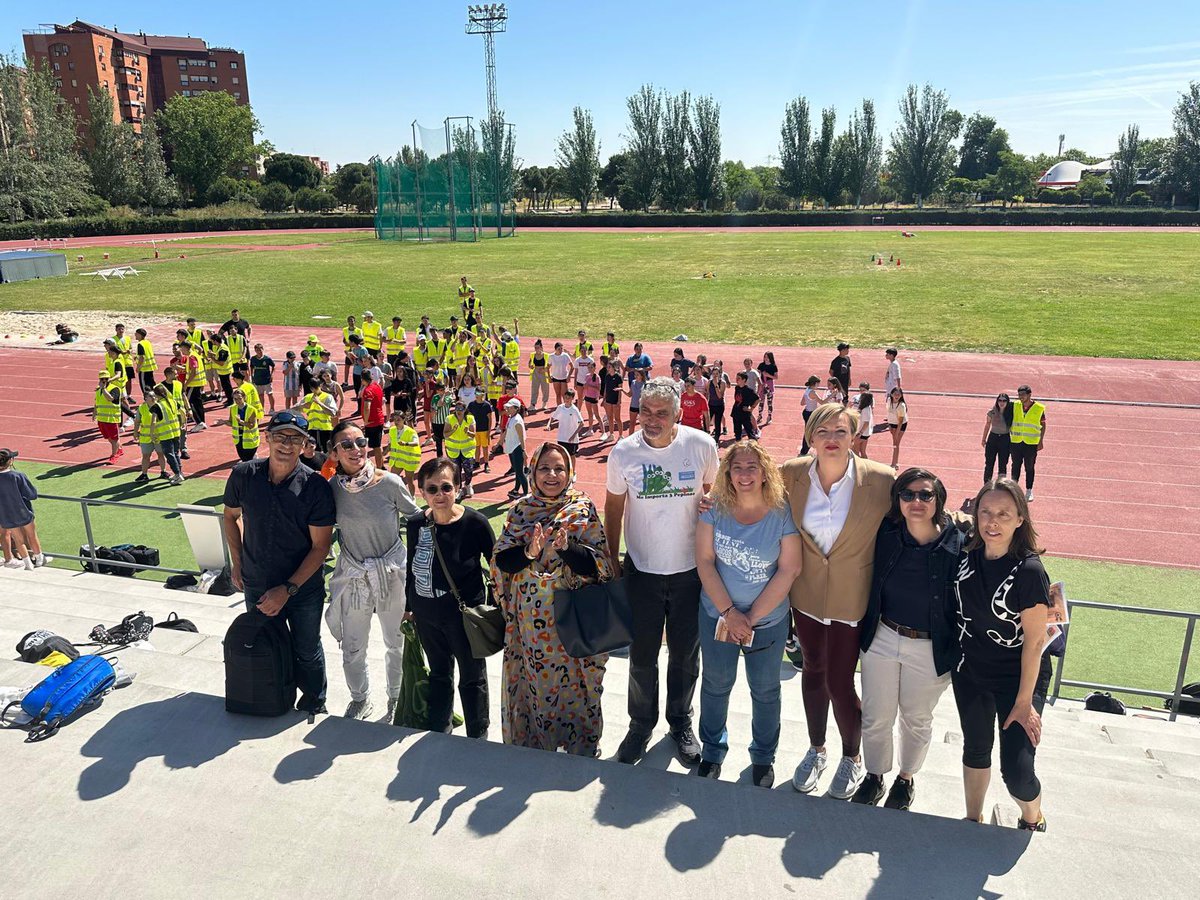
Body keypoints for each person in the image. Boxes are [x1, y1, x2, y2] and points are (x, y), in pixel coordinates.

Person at [781, 403, 895, 799]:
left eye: (841, 432)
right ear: (811, 437)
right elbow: (746, 495)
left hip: (852, 598)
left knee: (839, 680)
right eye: (823, 432)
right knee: (812, 670)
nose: (832, 439)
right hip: (806, 594)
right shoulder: (790, 475)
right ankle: (816, 749)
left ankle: (853, 756)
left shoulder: (881, 480)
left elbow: (929, 508)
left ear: (854, 436)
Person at [605, 377, 719, 766]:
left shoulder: (701, 446)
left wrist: (710, 504)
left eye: (661, 413)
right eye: (645, 411)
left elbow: (714, 495)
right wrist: (612, 557)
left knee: (686, 655)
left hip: (691, 571)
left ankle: (680, 721)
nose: (651, 419)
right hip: (642, 570)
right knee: (641, 656)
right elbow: (614, 507)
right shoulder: (623, 453)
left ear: (677, 415)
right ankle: (640, 725)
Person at [853, 469, 965, 811]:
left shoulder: (959, 543)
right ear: (897, 500)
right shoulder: (885, 533)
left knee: (916, 718)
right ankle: (874, 776)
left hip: (930, 647)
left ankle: (905, 779)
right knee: (876, 714)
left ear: (938, 500)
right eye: (908, 495)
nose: (916, 501)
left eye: (925, 495)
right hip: (884, 636)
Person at [492, 442, 615, 754]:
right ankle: (537, 744)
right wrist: (529, 552)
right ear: (532, 471)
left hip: (573, 619)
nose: (552, 474)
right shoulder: (520, 511)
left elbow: (599, 566)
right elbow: (502, 563)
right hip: (531, 628)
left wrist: (566, 549)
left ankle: (581, 744)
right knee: (535, 685)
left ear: (570, 472)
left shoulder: (582, 508)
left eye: (559, 468)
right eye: (544, 467)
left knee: (580, 684)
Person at [694, 440, 801, 786]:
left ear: (765, 472)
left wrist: (748, 619)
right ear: (727, 473)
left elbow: (789, 569)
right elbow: (705, 561)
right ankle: (712, 751)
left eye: (751, 467)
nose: (744, 474)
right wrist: (729, 612)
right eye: (736, 467)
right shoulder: (714, 508)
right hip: (717, 615)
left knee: (766, 689)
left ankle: (763, 757)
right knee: (715, 683)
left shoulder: (780, 510)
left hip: (766, 622)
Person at [953, 477, 1052, 831]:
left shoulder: (1029, 571)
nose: (993, 522)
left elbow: (1035, 641)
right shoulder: (966, 553)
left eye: (1004, 514)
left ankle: (1032, 815)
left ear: (1020, 519)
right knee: (976, 747)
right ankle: (972, 819)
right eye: (986, 512)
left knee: (1018, 771)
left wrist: (1025, 702)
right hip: (971, 670)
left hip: (1017, 677)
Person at [223, 411, 336, 716]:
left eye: (295, 438)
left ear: (304, 444)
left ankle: (314, 704)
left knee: (306, 650)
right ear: (268, 438)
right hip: (257, 580)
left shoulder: (316, 487)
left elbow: (320, 547)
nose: (287, 444)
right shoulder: (243, 475)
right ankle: (273, 697)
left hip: (303, 589)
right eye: (281, 436)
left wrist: (287, 589)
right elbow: (230, 516)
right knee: (264, 645)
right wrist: (237, 562)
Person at [324, 420, 420, 722]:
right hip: (353, 575)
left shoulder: (390, 483)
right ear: (335, 453)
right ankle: (360, 699)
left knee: (396, 642)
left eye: (361, 442)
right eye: (347, 445)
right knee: (353, 647)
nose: (357, 450)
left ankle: (395, 698)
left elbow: (417, 520)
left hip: (392, 574)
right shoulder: (332, 489)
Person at [406, 457, 496, 737]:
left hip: (463, 616)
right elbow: (411, 567)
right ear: (421, 491)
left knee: (472, 676)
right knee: (439, 672)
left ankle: (477, 733)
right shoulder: (415, 524)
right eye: (431, 489)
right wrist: (409, 606)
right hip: (426, 613)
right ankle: (439, 729)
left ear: (458, 487)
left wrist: (494, 607)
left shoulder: (476, 523)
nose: (439, 495)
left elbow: (497, 567)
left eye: (446, 487)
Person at [0, 449, 45, 570]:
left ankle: (28, 564)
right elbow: (31, 494)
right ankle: (39, 559)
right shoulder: (18, 476)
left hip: (6, 514)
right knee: (32, 535)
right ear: (10, 461)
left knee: (18, 540)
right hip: (23, 512)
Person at [1009, 386, 1046, 501]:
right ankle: (1014, 489)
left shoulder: (1039, 408)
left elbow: (1043, 425)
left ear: (1029, 395)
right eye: (1019, 395)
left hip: (1031, 443)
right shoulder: (1015, 405)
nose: (1021, 397)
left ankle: (1029, 490)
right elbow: (1001, 407)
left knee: (1029, 467)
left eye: (1023, 395)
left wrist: (1041, 441)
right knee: (1015, 465)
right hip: (1016, 441)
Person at [132, 390, 170, 481]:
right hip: (145, 436)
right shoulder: (141, 408)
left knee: (161, 454)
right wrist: (135, 432)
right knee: (146, 456)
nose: (153, 397)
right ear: (145, 398)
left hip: (158, 435)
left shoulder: (160, 406)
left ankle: (163, 471)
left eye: (154, 395)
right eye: (150, 396)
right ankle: (144, 474)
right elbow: (137, 421)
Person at [151, 384, 185, 484]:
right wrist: (183, 423)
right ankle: (179, 473)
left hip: (165, 434)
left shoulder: (157, 406)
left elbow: (153, 422)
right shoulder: (173, 401)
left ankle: (178, 474)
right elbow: (182, 411)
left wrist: (152, 434)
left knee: (169, 455)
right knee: (175, 453)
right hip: (176, 432)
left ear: (157, 395)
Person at [443, 400, 477, 499]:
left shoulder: (470, 418)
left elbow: (473, 434)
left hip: (467, 450)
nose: (458, 411)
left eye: (461, 409)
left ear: (465, 409)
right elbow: (445, 434)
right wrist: (453, 430)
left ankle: (468, 484)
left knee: (469, 469)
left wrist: (468, 432)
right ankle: (458, 489)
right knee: (456, 471)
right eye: (457, 408)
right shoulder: (449, 419)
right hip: (453, 450)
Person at [92, 372, 126, 464]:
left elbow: (110, 398)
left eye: (106, 379)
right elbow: (97, 402)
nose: (104, 381)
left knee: (114, 439)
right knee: (108, 438)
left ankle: (114, 456)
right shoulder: (99, 390)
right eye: (102, 379)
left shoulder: (115, 389)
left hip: (112, 418)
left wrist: (103, 389)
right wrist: (94, 412)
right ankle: (119, 449)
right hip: (102, 418)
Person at [386, 408, 421, 492]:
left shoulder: (411, 432)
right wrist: (385, 452)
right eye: (394, 420)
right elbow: (390, 443)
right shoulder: (392, 430)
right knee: (391, 479)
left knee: (409, 481)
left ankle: (412, 498)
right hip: (398, 460)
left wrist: (406, 443)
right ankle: (396, 496)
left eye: (398, 420)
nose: (396, 422)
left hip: (409, 461)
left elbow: (416, 443)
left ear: (404, 419)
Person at [982, 393, 1014, 482]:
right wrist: (984, 439)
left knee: (1003, 464)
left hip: (1005, 439)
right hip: (993, 438)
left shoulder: (1011, 413)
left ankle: (1001, 485)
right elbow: (987, 425)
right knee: (989, 463)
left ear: (1008, 402)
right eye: (1000, 400)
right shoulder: (992, 412)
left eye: (1004, 400)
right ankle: (986, 485)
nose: (1002, 402)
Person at [359, 370, 387, 469]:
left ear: (362, 379)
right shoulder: (376, 385)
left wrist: (365, 421)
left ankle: (379, 467)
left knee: (375, 446)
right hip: (379, 419)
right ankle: (381, 464)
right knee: (377, 445)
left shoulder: (368, 391)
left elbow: (367, 407)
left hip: (372, 422)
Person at [502, 398, 529, 498]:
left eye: (509, 407)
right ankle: (516, 490)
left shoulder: (517, 421)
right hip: (512, 448)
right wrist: (500, 443)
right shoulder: (511, 418)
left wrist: (524, 451)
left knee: (520, 473)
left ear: (516, 408)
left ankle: (526, 494)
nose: (507, 409)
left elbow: (521, 437)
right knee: (518, 472)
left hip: (517, 449)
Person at [547, 388, 584, 458]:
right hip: (561, 437)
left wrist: (573, 436)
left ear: (572, 398)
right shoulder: (560, 407)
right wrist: (549, 425)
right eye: (565, 397)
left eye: (569, 398)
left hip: (571, 439)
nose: (566, 399)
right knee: (562, 455)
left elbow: (582, 423)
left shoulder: (574, 410)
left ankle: (572, 469)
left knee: (572, 456)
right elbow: (553, 417)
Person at [300, 380, 337, 452]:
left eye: (316, 388)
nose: (315, 391)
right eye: (313, 389)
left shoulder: (328, 397)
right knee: (313, 452)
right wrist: (302, 406)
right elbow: (296, 409)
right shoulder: (308, 397)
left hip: (325, 430)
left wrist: (319, 403)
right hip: (312, 430)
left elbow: (333, 413)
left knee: (327, 452)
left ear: (320, 386)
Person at [229, 389, 261, 462]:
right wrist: (223, 422)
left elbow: (251, 425)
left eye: (239, 398)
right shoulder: (233, 408)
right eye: (235, 399)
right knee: (243, 458)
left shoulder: (251, 409)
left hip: (250, 440)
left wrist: (241, 421)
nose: (237, 401)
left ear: (244, 397)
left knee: (247, 460)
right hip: (238, 439)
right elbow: (231, 422)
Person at [467, 390, 494, 474]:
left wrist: (489, 431)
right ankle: (477, 462)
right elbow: (469, 417)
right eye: (475, 393)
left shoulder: (487, 405)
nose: (476, 395)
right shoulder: (471, 405)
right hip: (475, 430)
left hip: (484, 430)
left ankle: (486, 464)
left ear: (483, 394)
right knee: (476, 447)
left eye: (478, 393)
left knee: (485, 448)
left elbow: (490, 419)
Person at [601, 358, 626, 443]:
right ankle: (611, 435)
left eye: (609, 367)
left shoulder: (618, 377)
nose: (608, 368)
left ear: (613, 367)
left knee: (617, 418)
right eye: (607, 367)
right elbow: (605, 388)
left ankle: (621, 435)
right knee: (610, 417)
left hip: (615, 400)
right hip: (608, 400)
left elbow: (620, 389)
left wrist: (619, 401)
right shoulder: (607, 377)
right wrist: (604, 399)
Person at [248, 344, 276, 413]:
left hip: (266, 380)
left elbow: (273, 366)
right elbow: (251, 367)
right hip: (257, 380)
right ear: (255, 351)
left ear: (262, 349)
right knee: (260, 395)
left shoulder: (267, 359)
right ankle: (262, 409)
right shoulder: (253, 359)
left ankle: (272, 409)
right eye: (257, 350)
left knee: (270, 394)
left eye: (260, 350)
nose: (259, 352)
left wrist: (272, 375)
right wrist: (251, 376)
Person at [707, 361, 731, 442]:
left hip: (719, 405)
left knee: (717, 422)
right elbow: (707, 393)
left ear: (719, 374)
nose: (715, 375)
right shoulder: (709, 382)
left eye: (717, 374)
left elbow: (720, 396)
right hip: (711, 404)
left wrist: (716, 385)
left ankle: (716, 439)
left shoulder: (722, 383)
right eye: (713, 374)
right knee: (707, 421)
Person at [731, 372, 758, 441]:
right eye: (736, 378)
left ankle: (754, 448)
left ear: (744, 380)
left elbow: (757, 399)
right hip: (736, 413)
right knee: (737, 433)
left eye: (739, 378)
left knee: (750, 433)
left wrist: (751, 409)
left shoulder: (749, 390)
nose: (736, 380)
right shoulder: (737, 388)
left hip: (744, 414)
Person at [887, 387, 908, 470]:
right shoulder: (889, 400)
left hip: (900, 425)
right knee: (894, 443)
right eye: (895, 394)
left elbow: (901, 420)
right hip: (892, 423)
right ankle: (895, 462)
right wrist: (889, 425)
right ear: (891, 394)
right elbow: (888, 413)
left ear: (901, 395)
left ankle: (894, 463)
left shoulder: (901, 405)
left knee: (896, 443)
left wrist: (897, 432)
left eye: (899, 394)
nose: (896, 396)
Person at [548, 341, 573, 408]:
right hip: (555, 378)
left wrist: (569, 376)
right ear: (555, 349)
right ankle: (559, 409)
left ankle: (566, 407)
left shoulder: (565, 355)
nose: (561, 350)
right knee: (558, 394)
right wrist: (549, 377)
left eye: (561, 349)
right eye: (559, 349)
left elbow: (572, 367)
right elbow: (547, 367)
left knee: (565, 395)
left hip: (564, 377)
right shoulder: (551, 356)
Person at [756, 351, 778, 427]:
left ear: (770, 358)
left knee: (769, 402)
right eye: (765, 357)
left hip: (769, 385)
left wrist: (768, 375)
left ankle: (769, 416)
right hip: (762, 384)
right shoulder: (761, 365)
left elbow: (776, 377)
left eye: (767, 357)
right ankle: (759, 415)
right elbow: (757, 374)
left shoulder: (773, 366)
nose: (766, 358)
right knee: (761, 401)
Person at [134, 328, 156, 399]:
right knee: (151, 384)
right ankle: (154, 398)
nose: (135, 335)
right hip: (150, 368)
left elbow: (142, 358)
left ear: (140, 335)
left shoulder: (140, 344)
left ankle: (147, 400)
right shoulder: (147, 342)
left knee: (144, 386)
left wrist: (138, 368)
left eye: (136, 334)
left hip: (144, 369)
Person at [853, 387, 874, 458]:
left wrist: (860, 433)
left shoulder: (865, 409)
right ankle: (866, 466)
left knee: (854, 449)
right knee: (862, 451)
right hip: (865, 432)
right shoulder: (866, 408)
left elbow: (866, 422)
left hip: (863, 433)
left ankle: (859, 465)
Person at [628, 368, 648, 434]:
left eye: (637, 375)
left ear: (642, 375)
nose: (635, 376)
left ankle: (644, 439)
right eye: (635, 374)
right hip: (633, 405)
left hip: (642, 407)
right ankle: (630, 439)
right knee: (632, 423)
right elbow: (630, 394)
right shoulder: (633, 382)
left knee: (643, 424)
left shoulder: (646, 384)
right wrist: (622, 390)